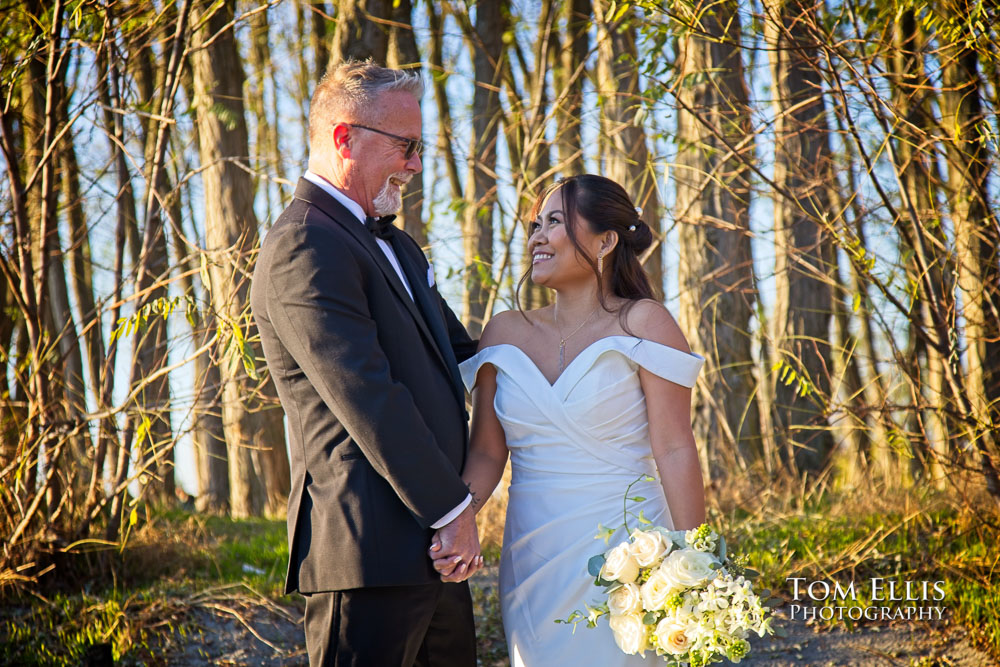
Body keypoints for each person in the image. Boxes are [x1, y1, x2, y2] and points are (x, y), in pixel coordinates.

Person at [250, 60, 483, 666]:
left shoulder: (397, 243)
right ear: (343, 137)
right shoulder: (304, 243)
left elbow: (458, 357)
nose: (416, 164)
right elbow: (367, 395)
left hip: (437, 553)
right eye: (406, 146)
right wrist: (455, 510)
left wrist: (571, 339)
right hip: (366, 554)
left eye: (420, 147)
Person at [433, 174, 706, 665]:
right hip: (534, 552)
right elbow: (488, 452)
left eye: (554, 221)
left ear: (605, 241)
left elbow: (675, 448)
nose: (537, 235)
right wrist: (458, 518)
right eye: (536, 224)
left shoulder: (644, 323)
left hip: (632, 549)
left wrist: (694, 559)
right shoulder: (504, 331)